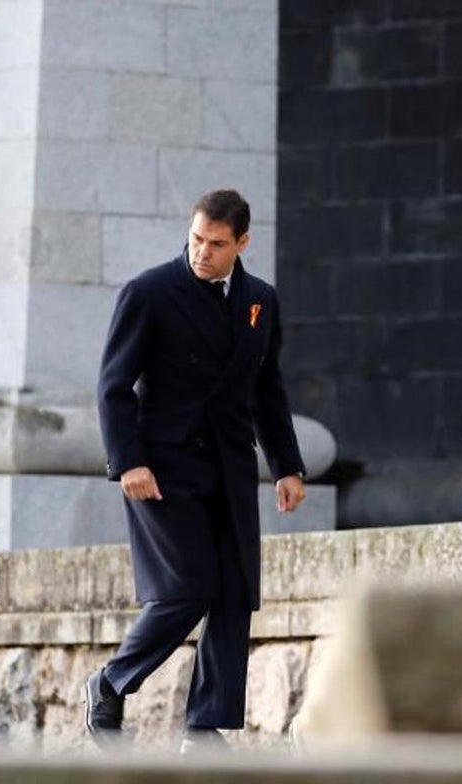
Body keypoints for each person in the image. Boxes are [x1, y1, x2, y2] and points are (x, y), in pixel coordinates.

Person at [86, 189, 307, 752]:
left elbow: (267, 390)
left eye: (217, 244)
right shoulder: (150, 292)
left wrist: (286, 465)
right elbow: (113, 387)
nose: (203, 253)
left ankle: (205, 726)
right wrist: (128, 460)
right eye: (196, 240)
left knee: (234, 593)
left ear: (242, 243)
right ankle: (110, 683)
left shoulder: (260, 299)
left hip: (230, 469)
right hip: (162, 468)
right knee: (186, 589)